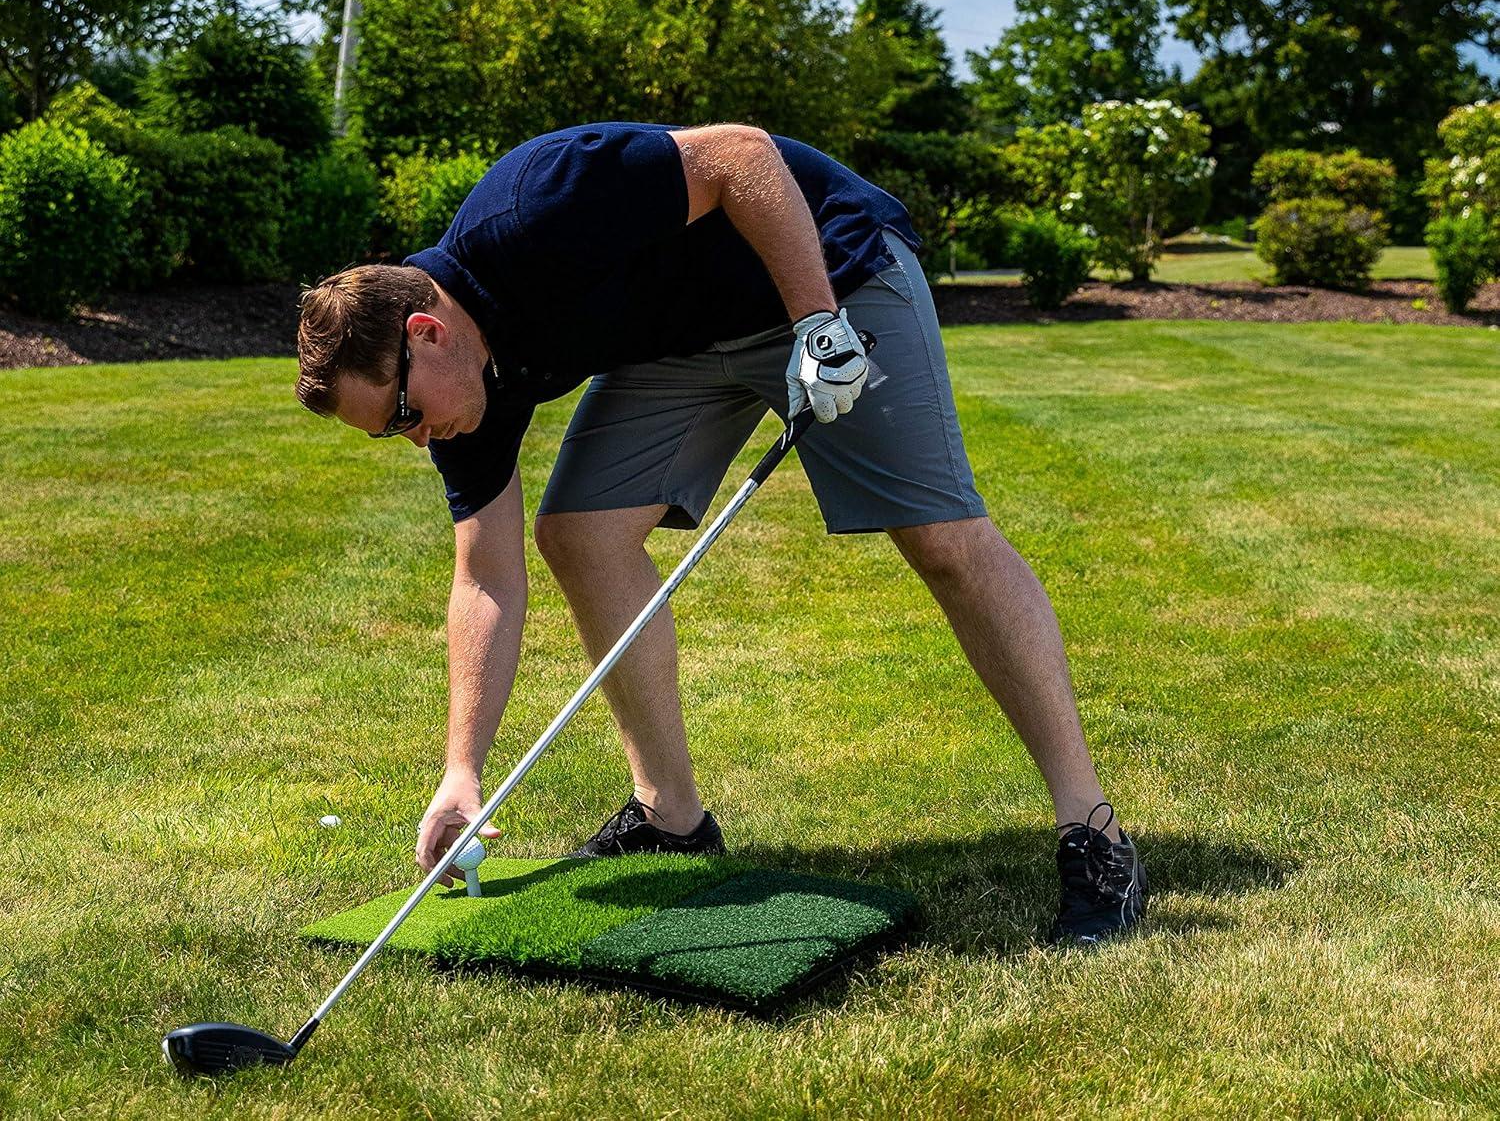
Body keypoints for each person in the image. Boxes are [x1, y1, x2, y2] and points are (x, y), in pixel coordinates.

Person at [295, 121, 1147, 947]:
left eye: (404, 414)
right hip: (687, 337)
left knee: (943, 541)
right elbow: (485, 579)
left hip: (823, 275)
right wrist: (461, 771)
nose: (415, 437)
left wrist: (817, 323)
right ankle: (672, 818)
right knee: (582, 532)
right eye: (389, 432)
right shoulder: (460, 397)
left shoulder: (536, 205)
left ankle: (1093, 830)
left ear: (425, 333)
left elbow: (742, 154)